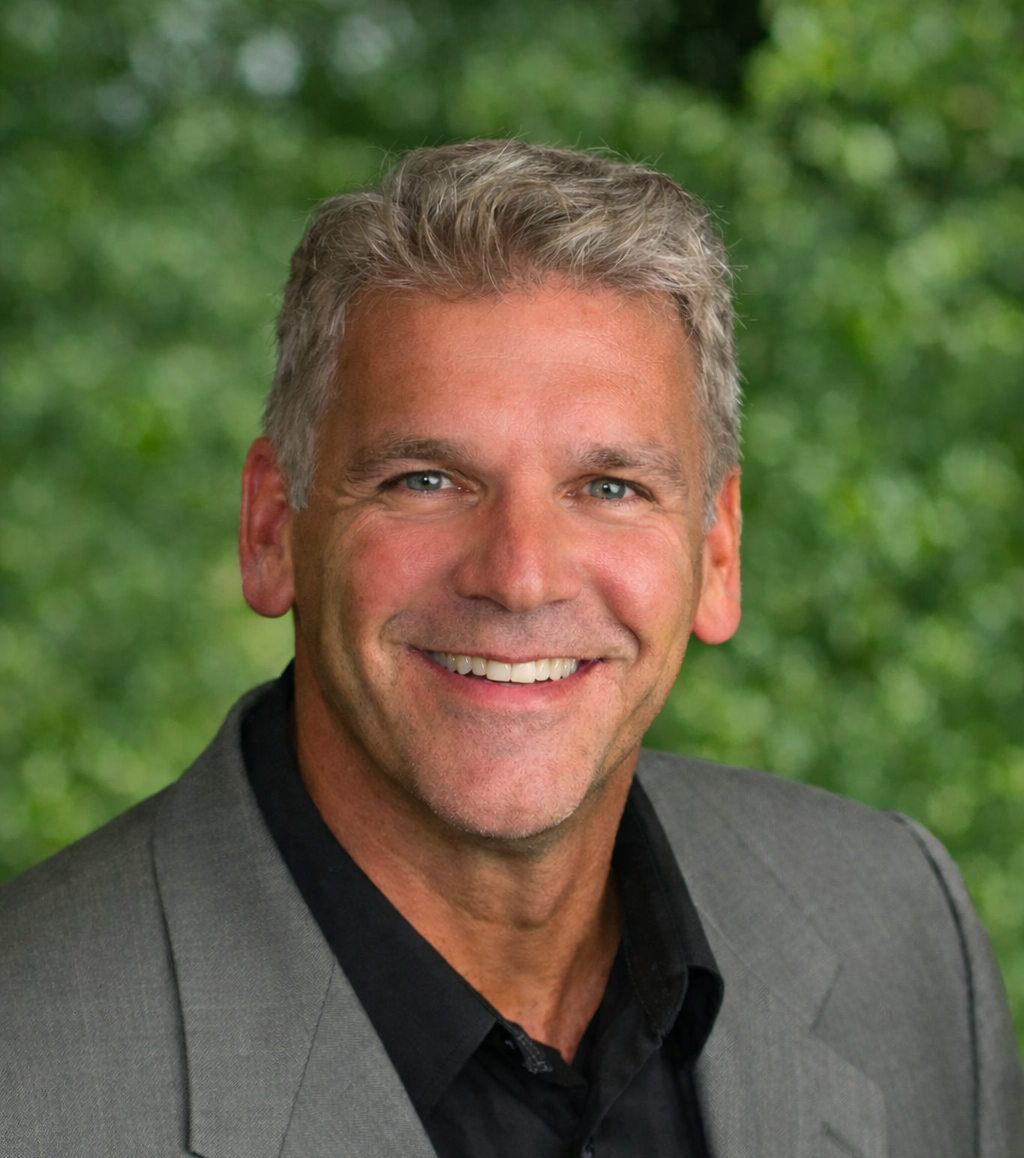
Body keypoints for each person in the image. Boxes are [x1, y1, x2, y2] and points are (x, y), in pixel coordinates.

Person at [1, 140, 1021, 1158]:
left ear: (717, 552)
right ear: (274, 530)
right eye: (425, 480)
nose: (520, 574)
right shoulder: (29, 1069)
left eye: (609, 487)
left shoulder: (899, 927)